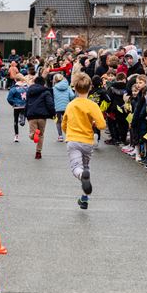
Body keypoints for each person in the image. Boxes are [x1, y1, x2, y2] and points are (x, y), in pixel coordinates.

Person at [61, 73, 106, 210]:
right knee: (86, 167)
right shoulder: (92, 105)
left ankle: (82, 176)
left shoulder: (71, 105)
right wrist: (92, 123)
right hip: (87, 141)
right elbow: (102, 125)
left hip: (73, 140)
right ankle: (84, 198)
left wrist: (68, 132)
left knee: (76, 167)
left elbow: (64, 124)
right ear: (90, 88)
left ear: (74, 88)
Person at [25, 75, 55, 159]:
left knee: (32, 134)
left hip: (32, 115)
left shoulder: (29, 91)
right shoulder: (46, 91)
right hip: (42, 116)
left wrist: (25, 113)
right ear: (43, 83)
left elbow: (26, 102)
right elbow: (50, 104)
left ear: (35, 82)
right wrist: (53, 113)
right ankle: (38, 152)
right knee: (41, 135)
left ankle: (34, 134)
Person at [53, 74, 75, 142]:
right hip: (67, 107)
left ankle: (60, 136)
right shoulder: (68, 87)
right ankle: (68, 136)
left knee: (58, 121)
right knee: (68, 121)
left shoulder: (54, 88)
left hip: (57, 108)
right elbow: (72, 96)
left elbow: (52, 97)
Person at [6, 74, 28, 142]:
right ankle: (23, 118)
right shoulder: (27, 88)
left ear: (15, 80)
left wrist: (13, 103)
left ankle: (16, 136)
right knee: (26, 118)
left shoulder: (13, 88)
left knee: (15, 121)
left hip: (17, 106)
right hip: (25, 105)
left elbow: (9, 98)